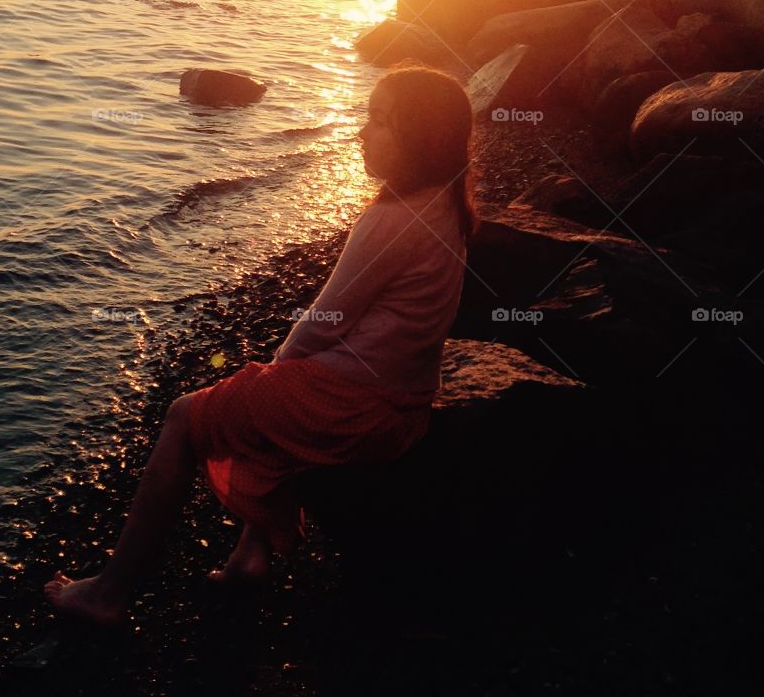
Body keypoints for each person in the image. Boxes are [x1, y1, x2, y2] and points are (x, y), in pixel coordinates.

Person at [44, 62, 478, 625]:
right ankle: (252, 553)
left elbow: (326, 318)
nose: (362, 132)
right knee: (281, 402)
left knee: (185, 416)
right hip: (405, 403)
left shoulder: (391, 218)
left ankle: (109, 592)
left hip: (361, 407)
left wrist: (273, 371)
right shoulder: (450, 202)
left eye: (380, 121)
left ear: (421, 137)